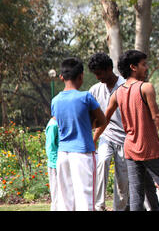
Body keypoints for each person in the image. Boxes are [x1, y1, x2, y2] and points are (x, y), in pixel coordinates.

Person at [104, 50, 159, 211]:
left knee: (137, 194)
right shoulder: (146, 88)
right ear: (133, 67)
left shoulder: (117, 92)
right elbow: (157, 119)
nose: (147, 68)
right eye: (144, 64)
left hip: (131, 149)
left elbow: (104, 119)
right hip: (150, 148)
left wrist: (93, 137)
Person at [51, 57, 107, 211]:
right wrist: (88, 124)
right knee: (86, 199)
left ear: (61, 77)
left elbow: (60, 121)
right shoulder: (86, 97)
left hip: (63, 154)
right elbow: (102, 121)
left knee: (66, 201)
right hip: (83, 153)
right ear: (81, 76)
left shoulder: (55, 101)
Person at [88, 53, 128, 211]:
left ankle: (119, 208)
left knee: (123, 179)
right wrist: (93, 136)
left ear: (109, 69)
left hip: (125, 139)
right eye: (95, 74)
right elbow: (90, 117)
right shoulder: (95, 90)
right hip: (106, 136)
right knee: (102, 162)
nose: (98, 77)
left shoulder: (125, 86)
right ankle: (99, 206)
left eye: (99, 73)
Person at [45, 117, 59, 211]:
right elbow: (50, 147)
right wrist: (56, 163)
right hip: (55, 165)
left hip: (61, 163)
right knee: (57, 196)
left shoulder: (59, 123)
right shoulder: (53, 125)